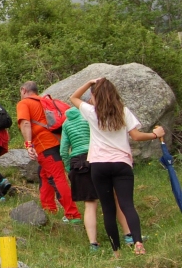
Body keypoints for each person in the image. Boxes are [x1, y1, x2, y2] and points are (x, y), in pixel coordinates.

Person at [69, 77, 164, 256]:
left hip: (99, 165)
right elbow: (136, 136)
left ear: (95, 96)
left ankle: (116, 251)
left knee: (108, 208)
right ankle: (138, 243)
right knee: (127, 204)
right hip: (121, 164)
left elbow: (73, 98)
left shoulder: (92, 112)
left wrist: (89, 83)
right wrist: (154, 134)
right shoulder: (123, 111)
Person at [60, 106, 133, 251]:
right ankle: (128, 234)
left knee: (90, 203)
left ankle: (93, 243)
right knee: (115, 197)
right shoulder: (88, 117)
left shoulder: (66, 124)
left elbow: (63, 150)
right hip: (96, 157)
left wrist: (69, 167)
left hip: (78, 163)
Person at [16, 81, 82, 223]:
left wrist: (28, 144)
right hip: (58, 141)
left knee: (57, 178)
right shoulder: (45, 101)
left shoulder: (24, 103)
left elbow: (25, 123)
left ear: (23, 90)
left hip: (45, 145)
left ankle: (72, 214)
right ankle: (49, 209)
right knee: (44, 174)